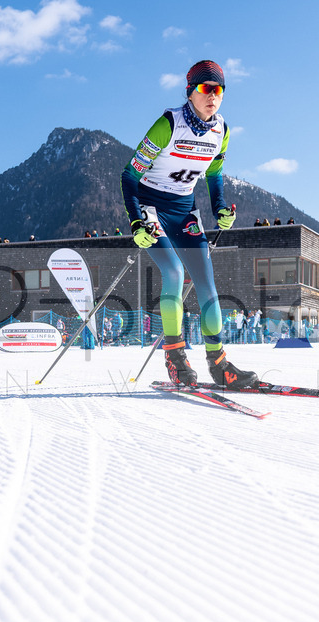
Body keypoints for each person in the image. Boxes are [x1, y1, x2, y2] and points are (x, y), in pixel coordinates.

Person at [119, 60, 258, 389]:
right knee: (173, 273)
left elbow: (214, 174)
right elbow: (129, 174)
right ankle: (175, 356)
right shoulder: (168, 124)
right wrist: (137, 221)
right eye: (206, 88)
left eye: (219, 89)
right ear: (191, 92)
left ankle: (219, 364)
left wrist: (221, 207)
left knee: (207, 284)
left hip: (184, 211)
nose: (213, 95)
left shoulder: (222, 130)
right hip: (152, 207)